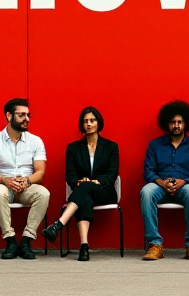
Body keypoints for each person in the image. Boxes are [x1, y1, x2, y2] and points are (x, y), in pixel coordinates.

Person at [41, 107, 120, 261]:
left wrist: (97, 181)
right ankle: (84, 246)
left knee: (86, 188)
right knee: (85, 197)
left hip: (105, 192)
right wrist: (78, 182)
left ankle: (58, 224)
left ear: (98, 123)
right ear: (82, 125)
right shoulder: (73, 148)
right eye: (85, 121)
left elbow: (112, 174)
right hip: (83, 193)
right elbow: (69, 174)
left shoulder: (111, 147)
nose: (89, 124)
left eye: (92, 120)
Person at [140, 100, 189, 261]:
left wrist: (183, 182)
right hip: (160, 186)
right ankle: (155, 244)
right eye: (173, 122)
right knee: (146, 192)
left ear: (186, 123)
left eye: (179, 122)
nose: (176, 125)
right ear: (166, 124)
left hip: (185, 186)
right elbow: (148, 170)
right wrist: (161, 182)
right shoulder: (155, 145)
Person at [0, 98, 49, 260]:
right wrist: (6, 180)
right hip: (3, 184)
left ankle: (27, 240)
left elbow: (40, 172)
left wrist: (27, 181)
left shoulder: (35, 141)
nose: (26, 119)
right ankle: (10, 240)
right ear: (9, 116)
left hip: (27, 185)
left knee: (44, 194)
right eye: (21, 115)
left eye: (28, 115)